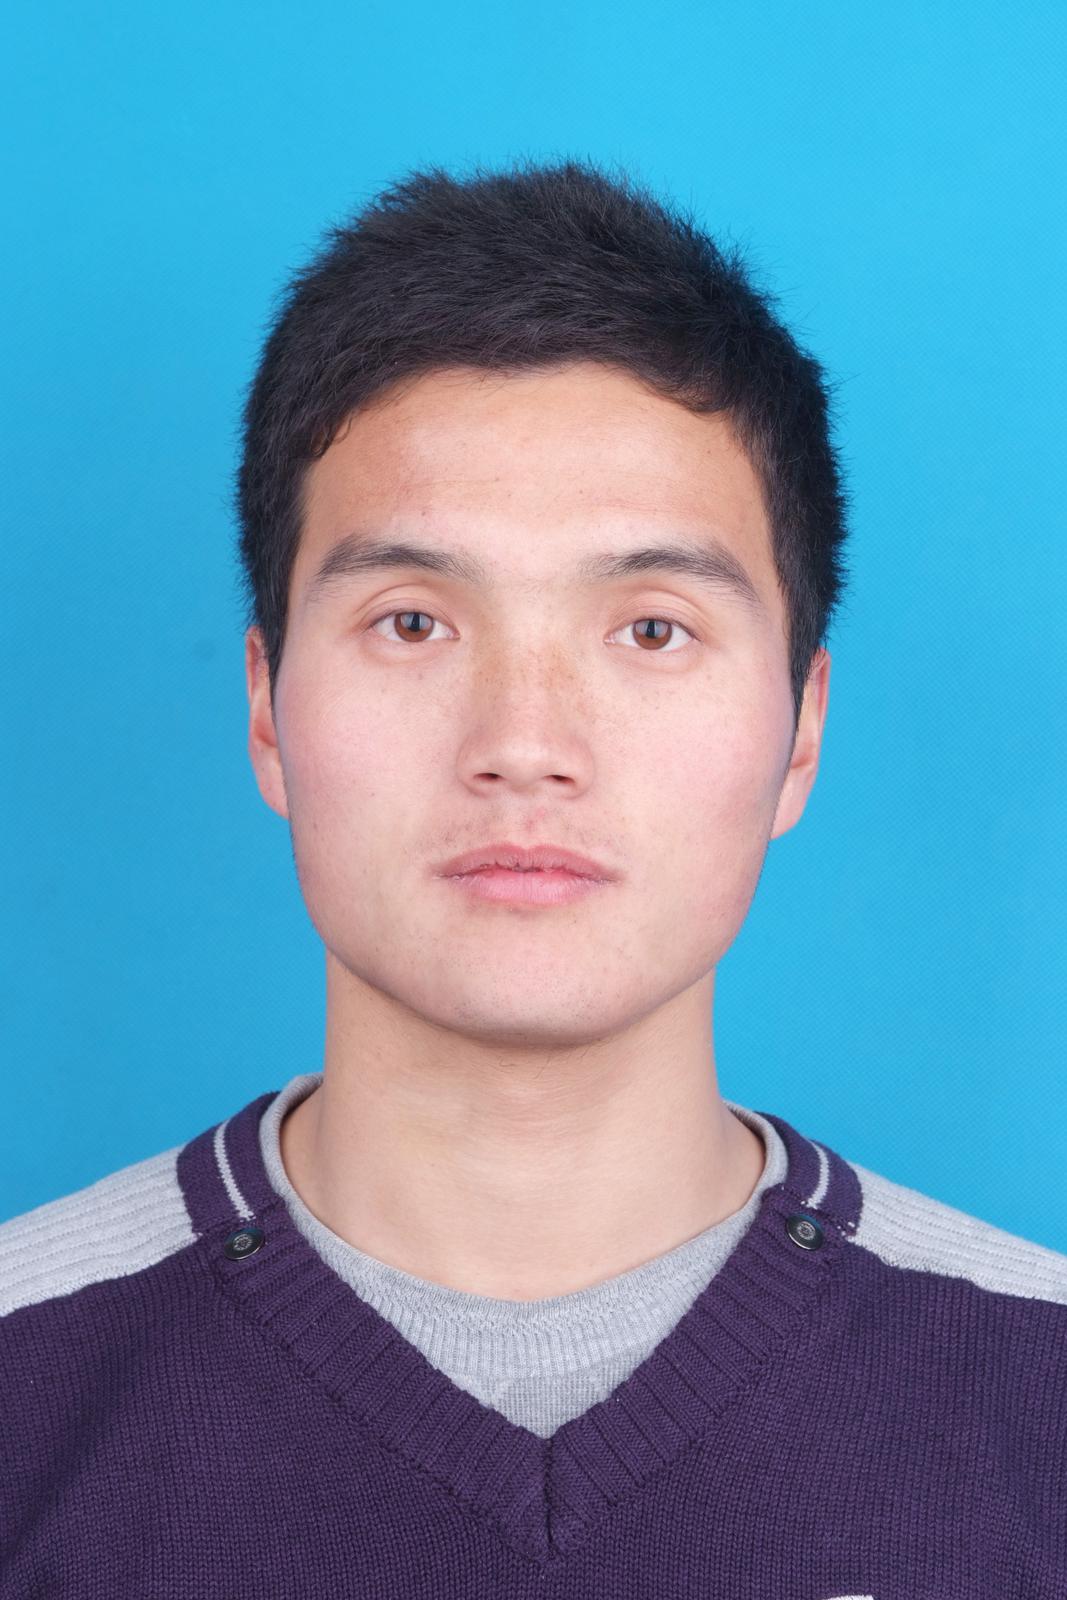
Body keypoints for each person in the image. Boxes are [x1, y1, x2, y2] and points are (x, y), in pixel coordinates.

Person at [3, 157, 1065, 1598]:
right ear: (265, 708)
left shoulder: (1037, 1398)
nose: (524, 745)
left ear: (802, 732)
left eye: (651, 630)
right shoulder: (29, 1388)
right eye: (413, 623)